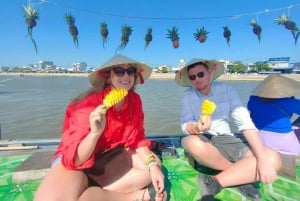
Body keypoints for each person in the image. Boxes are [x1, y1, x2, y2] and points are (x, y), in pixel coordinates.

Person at [34, 54, 166, 201]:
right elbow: (75, 160)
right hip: (75, 159)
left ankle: (94, 193)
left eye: (131, 71)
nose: (126, 76)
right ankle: (132, 196)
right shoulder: (86, 105)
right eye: (119, 71)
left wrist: (153, 167)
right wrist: (94, 134)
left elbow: (137, 140)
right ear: (108, 77)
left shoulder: (135, 101)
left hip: (109, 156)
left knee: (154, 167)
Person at [175, 59, 282, 201]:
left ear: (210, 72)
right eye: (192, 77)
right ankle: (242, 177)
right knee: (193, 143)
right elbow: (185, 126)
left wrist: (262, 159)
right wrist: (196, 126)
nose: (197, 80)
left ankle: (214, 182)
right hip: (201, 137)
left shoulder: (226, 89)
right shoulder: (187, 96)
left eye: (200, 74)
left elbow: (245, 123)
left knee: (273, 160)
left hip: (226, 138)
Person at [247, 74, 300, 155]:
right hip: (286, 145)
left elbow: (252, 111)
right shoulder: (289, 102)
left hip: (261, 140)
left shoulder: (253, 100)